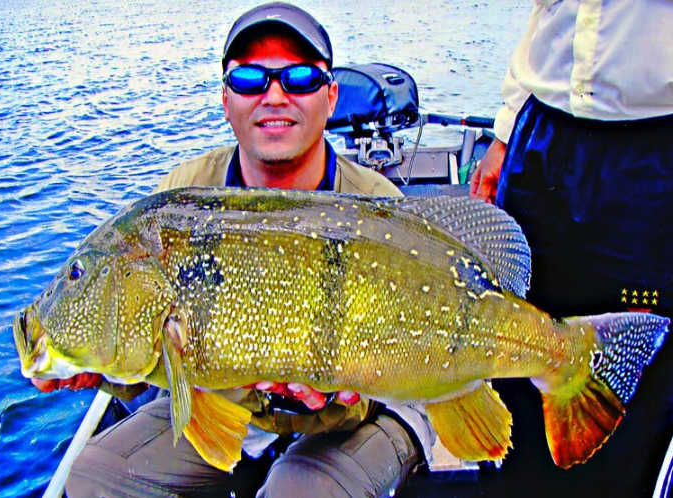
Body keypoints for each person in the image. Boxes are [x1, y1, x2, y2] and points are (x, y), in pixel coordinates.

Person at [34, 4, 431, 497]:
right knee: (94, 478)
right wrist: (99, 368)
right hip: (240, 407)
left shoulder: (378, 210)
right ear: (226, 99)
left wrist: (339, 388)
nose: (275, 96)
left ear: (330, 97)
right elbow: (158, 358)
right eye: (249, 79)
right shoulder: (180, 202)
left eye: (301, 77)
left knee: (299, 491)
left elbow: (407, 362)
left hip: (378, 405)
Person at [470, 2, 673, 497]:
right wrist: (505, 130)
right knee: (512, 348)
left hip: (651, 149)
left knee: (631, 378)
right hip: (538, 134)